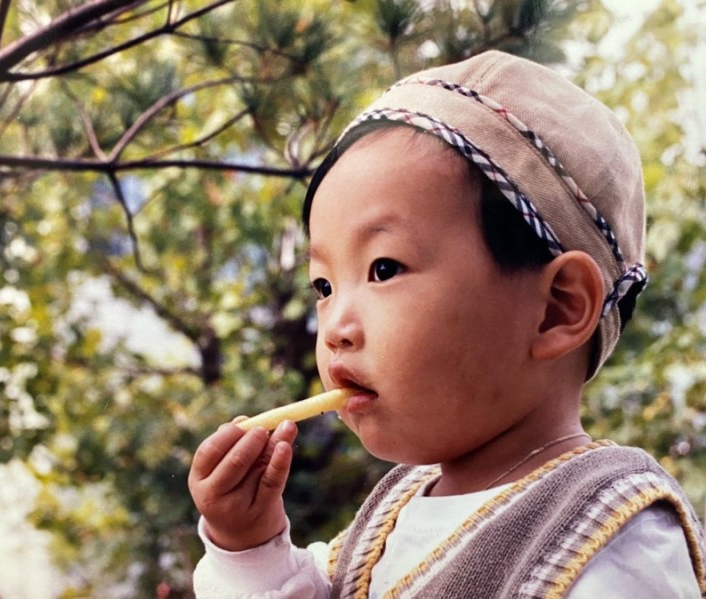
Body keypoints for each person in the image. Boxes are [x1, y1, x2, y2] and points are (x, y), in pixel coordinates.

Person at [187, 50, 706, 598]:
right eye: (324, 287)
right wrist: (248, 548)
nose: (336, 325)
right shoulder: (391, 515)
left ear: (557, 308)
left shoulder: (614, 539)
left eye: (383, 269)